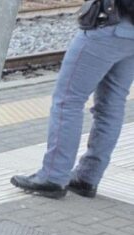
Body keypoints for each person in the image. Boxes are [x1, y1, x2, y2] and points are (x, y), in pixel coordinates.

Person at [11, 0, 134, 199]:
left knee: (68, 101)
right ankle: (87, 177)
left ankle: (53, 176)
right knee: (112, 105)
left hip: (109, 26)